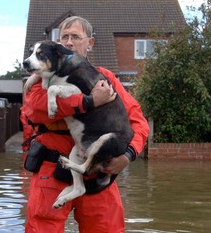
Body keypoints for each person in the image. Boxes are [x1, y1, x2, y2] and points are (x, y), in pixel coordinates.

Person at [21, 16, 150, 232]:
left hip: (99, 171)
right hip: (53, 167)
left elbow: (138, 122)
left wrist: (127, 155)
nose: (69, 42)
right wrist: (88, 102)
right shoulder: (42, 77)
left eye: (75, 37)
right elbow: (36, 109)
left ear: (90, 43)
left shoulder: (105, 77)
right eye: (64, 37)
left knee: (107, 228)